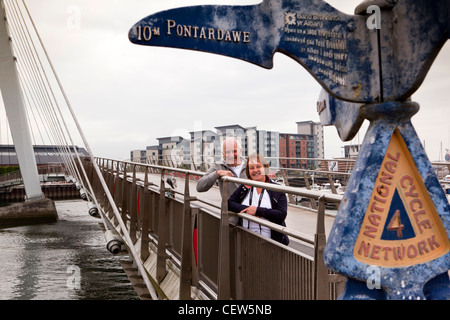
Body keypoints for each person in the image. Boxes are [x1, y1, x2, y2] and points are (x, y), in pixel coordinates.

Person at [228, 154, 289, 245]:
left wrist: (257, 211)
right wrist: (248, 210)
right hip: (246, 240)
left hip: (271, 242)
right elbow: (229, 203)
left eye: (258, 166)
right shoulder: (245, 186)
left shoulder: (277, 189)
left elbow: (281, 214)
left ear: (265, 168)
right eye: (251, 168)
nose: (255, 170)